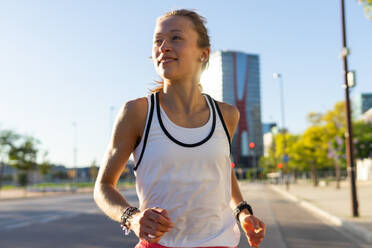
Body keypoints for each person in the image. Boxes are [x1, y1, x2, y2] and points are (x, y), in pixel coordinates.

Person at [94, 9, 266, 248]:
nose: (163, 46)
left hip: (220, 243)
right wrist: (132, 218)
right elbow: (103, 187)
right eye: (158, 40)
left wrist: (242, 211)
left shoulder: (227, 115)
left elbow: (221, 168)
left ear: (203, 54)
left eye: (176, 38)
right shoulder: (137, 113)